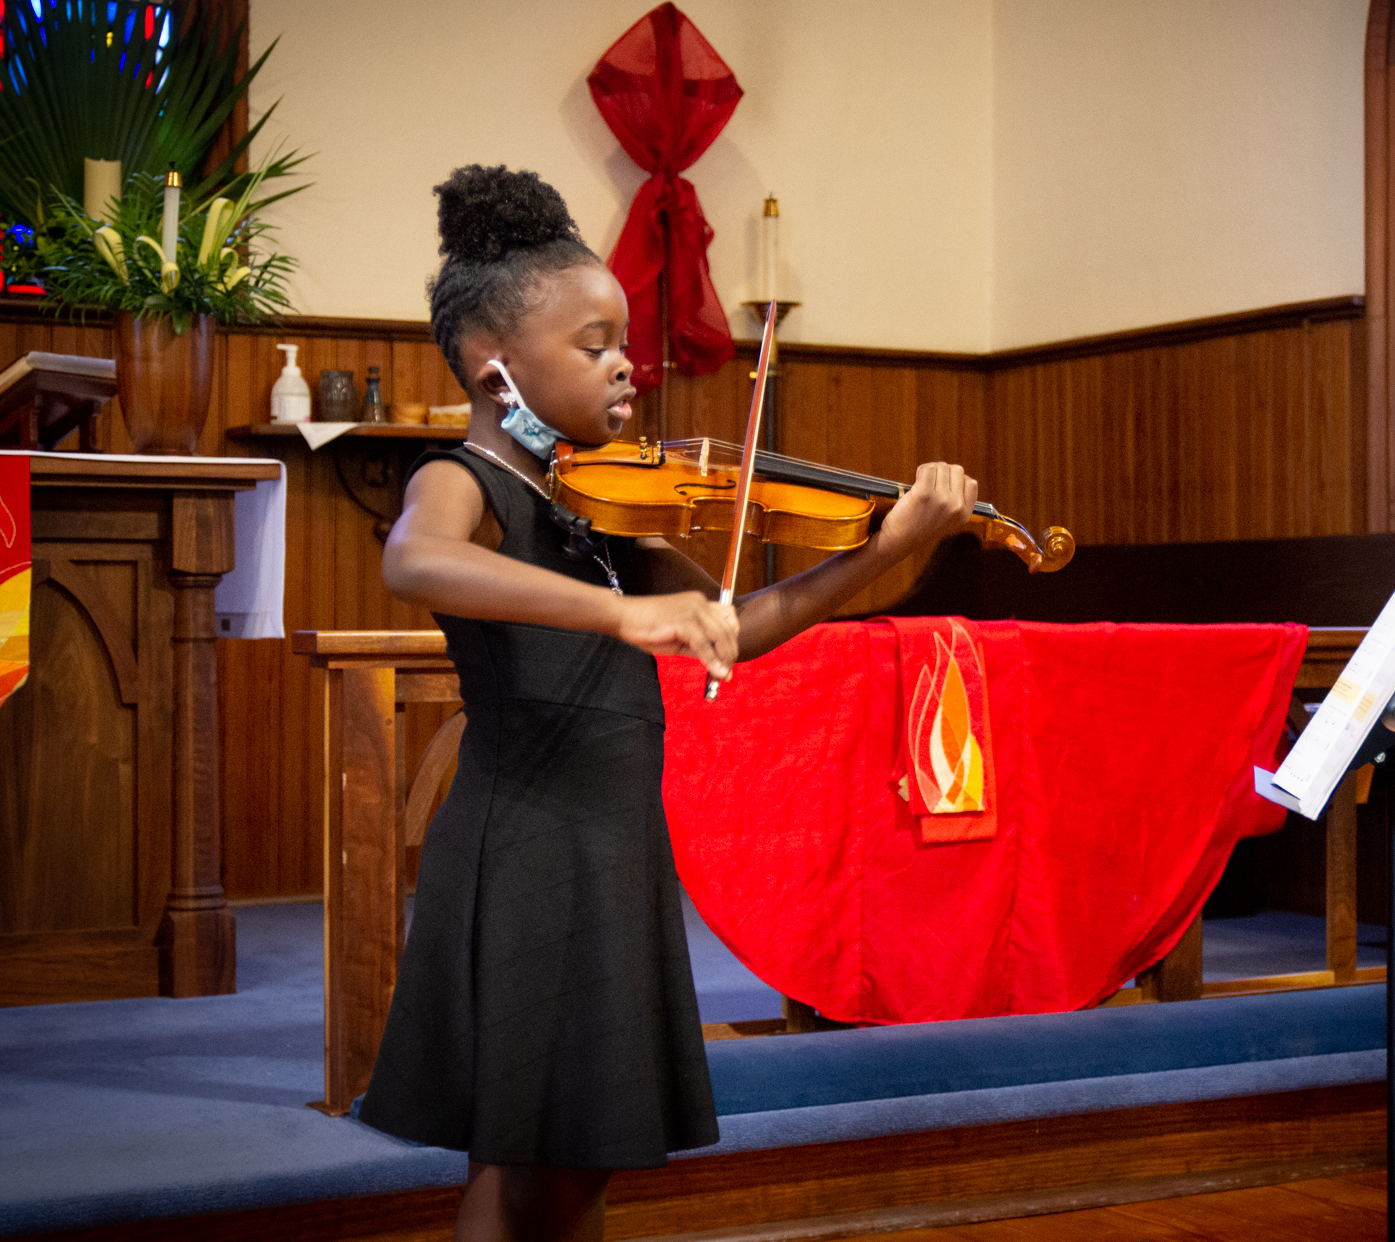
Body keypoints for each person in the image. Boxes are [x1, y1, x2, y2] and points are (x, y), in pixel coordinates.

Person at [357, 165, 978, 1242]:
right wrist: (620, 615)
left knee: (586, 1153)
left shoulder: (597, 513)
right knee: (513, 1155)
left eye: (624, 345)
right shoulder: (461, 480)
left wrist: (888, 551)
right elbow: (414, 560)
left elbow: (739, 625)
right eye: (592, 344)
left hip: (612, 848)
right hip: (526, 849)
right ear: (492, 364)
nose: (624, 367)